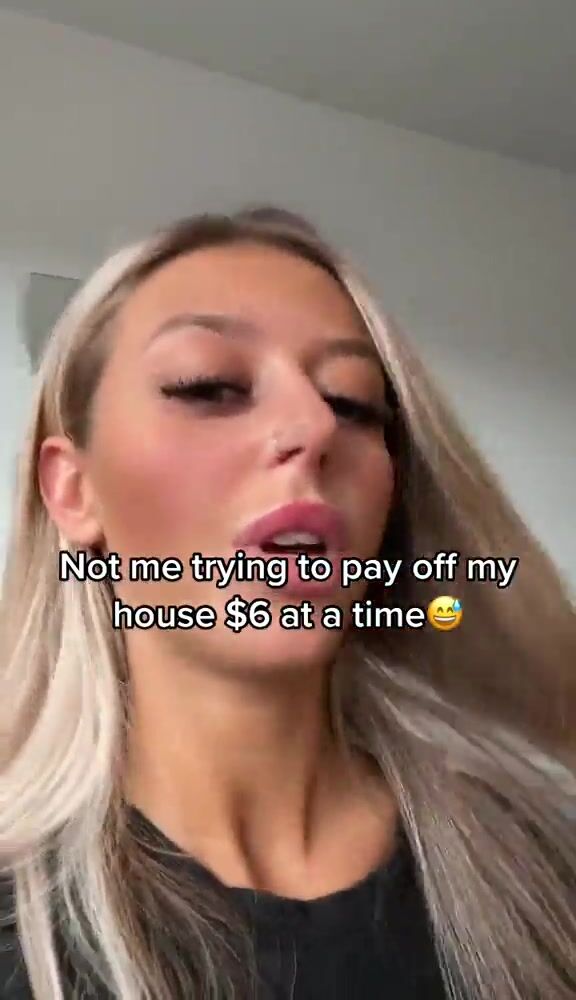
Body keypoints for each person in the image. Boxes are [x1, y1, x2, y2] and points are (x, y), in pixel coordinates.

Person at [1, 205, 575, 1000]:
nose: (314, 425)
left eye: (354, 403)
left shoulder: (545, 869)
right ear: (73, 490)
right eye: (209, 386)